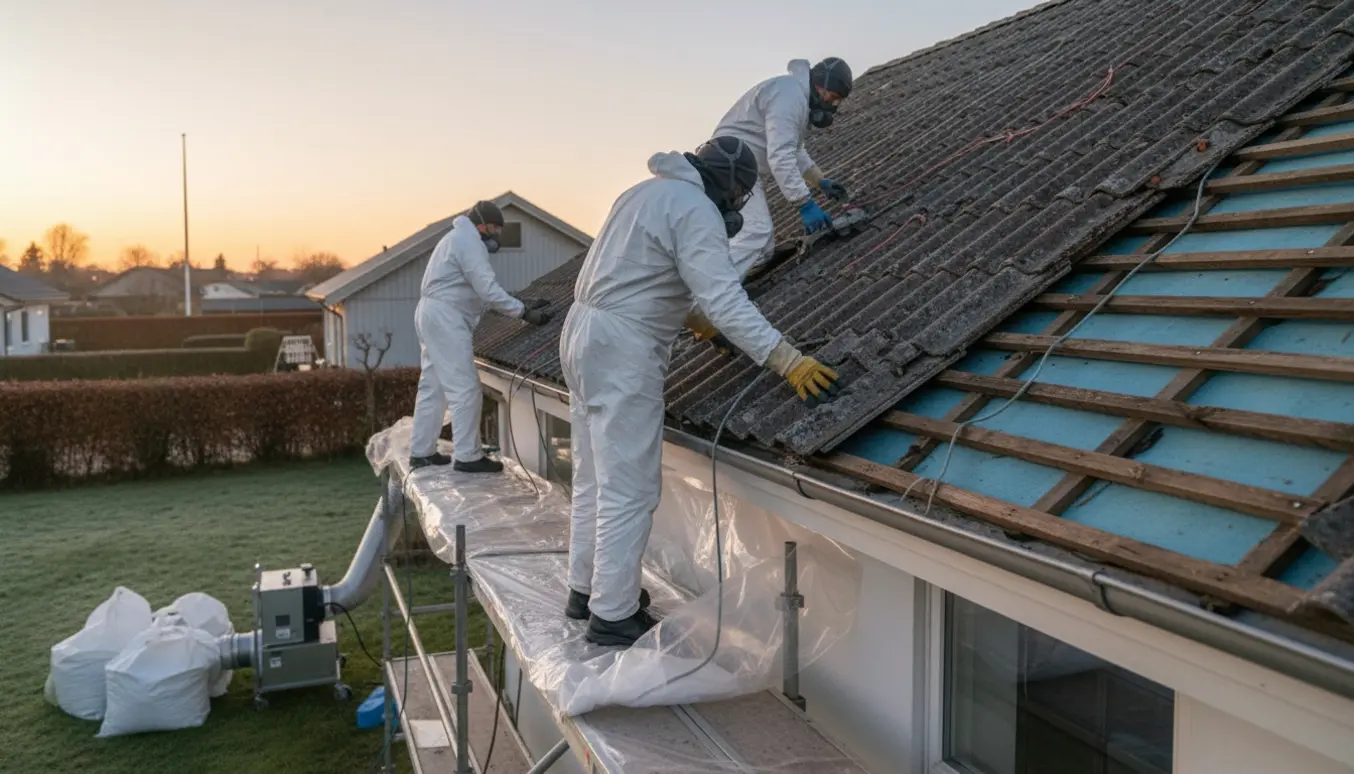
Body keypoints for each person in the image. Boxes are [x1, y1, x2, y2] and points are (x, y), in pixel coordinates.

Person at [560, 137, 842, 647]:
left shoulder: (648, 192)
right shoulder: (697, 211)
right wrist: (788, 360)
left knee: (594, 477)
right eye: (739, 196)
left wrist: (694, 320)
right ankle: (612, 614)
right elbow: (726, 298)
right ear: (731, 186)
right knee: (631, 487)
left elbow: (636, 272)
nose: (737, 207)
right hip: (623, 347)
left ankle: (587, 590)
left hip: (582, 334)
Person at [684, 57, 855, 347]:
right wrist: (804, 203)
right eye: (833, 97)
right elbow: (780, 155)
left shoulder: (795, 98)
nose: (832, 105)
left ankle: (709, 290)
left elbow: (795, 149)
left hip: (739, 166)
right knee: (756, 233)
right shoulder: (789, 94)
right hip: (731, 166)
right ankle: (706, 305)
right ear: (821, 85)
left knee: (761, 247)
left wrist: (820, 179)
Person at [409, 201, 551, 473]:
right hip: (446, 318)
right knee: (465, 388)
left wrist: (522, 300)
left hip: (432, 314)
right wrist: (523, 312)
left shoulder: (454, 239)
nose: (497, 235)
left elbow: (476, 290)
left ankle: (422, 452)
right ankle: (468, 457)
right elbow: (486, 289)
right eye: (496, 228)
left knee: (434, 387)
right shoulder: (469, 242)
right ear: (483, 225)